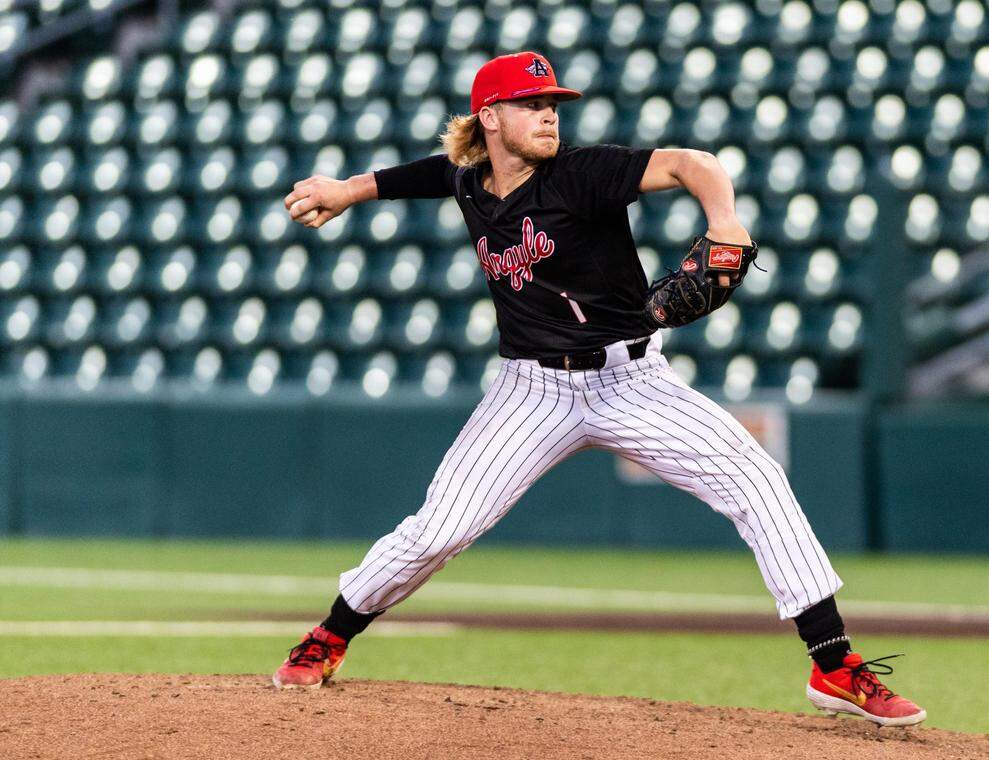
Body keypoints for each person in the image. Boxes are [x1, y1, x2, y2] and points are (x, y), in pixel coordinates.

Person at [272, 51, 925, 727]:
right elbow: (419, 176)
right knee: (440, 529)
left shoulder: (583, 173)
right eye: (532, 104)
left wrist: (724, 219)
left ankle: (833, 664)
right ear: (490, 118)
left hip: (632, 380)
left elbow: (690, 163)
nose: (549, 114)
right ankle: (331, 634)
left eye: (553, 103)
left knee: (756, 478)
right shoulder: (470, 182)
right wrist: (347, 190)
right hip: (531, 393)